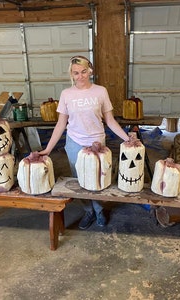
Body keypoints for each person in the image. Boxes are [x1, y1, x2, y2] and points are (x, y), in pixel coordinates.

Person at [39, 55, 129, 229]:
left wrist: (128, 138)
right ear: (71, 75)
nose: (80, 76)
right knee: (80, 181)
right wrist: (48, 149)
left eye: (83, 72)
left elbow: (109, 120)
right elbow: (61, 123)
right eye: (76, 73)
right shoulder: (66, 94)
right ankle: (88, 210)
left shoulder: (100, 91)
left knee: (98, 178)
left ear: (90, 71)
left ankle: (99, 209)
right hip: (75, 143)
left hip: (98, 142)